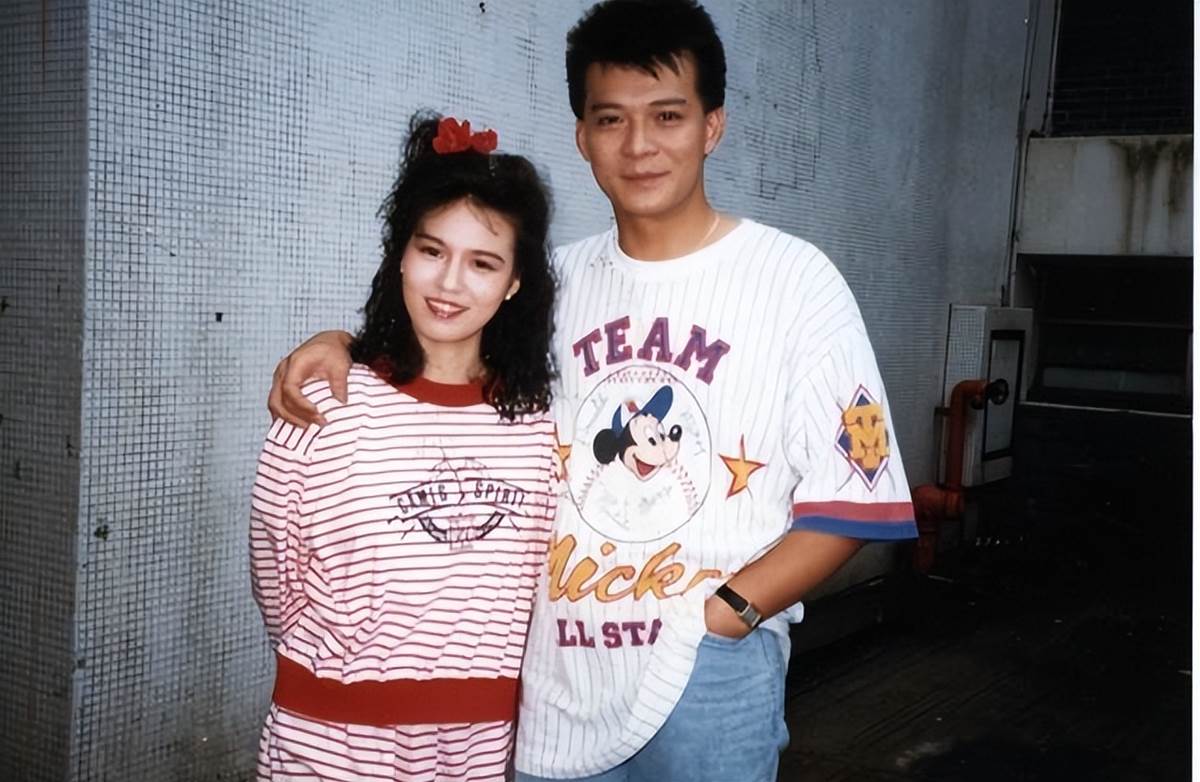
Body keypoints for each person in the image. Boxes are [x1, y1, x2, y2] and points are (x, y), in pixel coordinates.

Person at [269, 1, 918, 780]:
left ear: (712, 125)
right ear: (582, 136)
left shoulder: (794, 280)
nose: (638, 145)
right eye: (611, 119)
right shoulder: (556, 283)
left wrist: (729, 615)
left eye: (667, 115)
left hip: (707, 672)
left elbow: (855, 497)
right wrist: (343, 345)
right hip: (558, 684)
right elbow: (444, 357)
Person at [249, 112, 558, 781]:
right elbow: (276, 570)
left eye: (482, 263)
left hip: (478, 748)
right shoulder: (323, 399)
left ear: (514, 282)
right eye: (431, 251)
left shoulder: (538, 425)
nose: (449, 284)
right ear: (401, 254)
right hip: (328, 740)